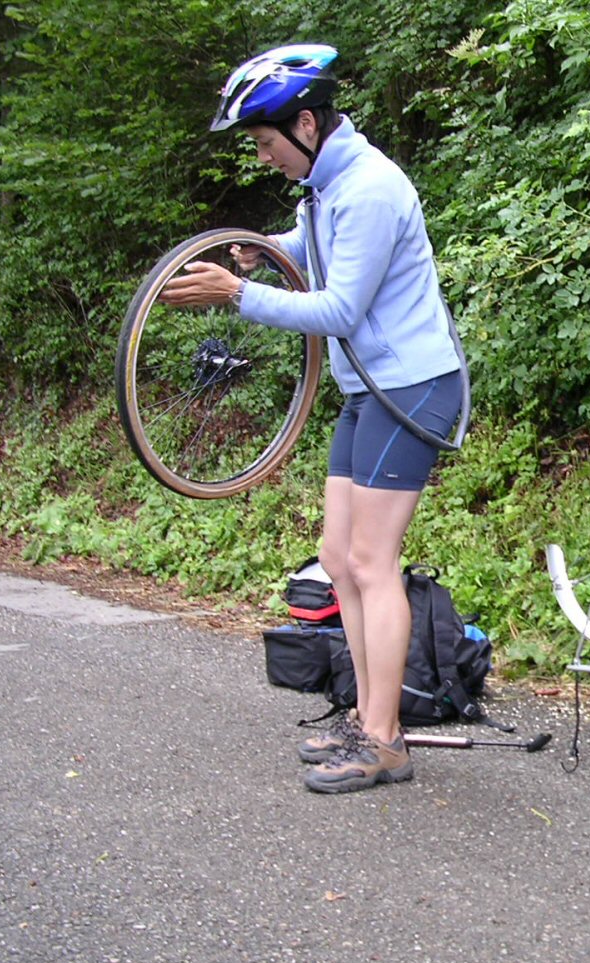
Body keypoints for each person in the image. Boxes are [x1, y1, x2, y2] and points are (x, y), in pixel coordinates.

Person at [159, 43, 463, 794]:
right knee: (336, 557)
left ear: (304, 124)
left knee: (371, 563)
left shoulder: (368, 187)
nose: (265, 158)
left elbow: (337, 307)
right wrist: (266, 255)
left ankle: (385, 740)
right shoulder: (326, 189)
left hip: (413, 386)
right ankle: (367, 716)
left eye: (266, 144)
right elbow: (317, 254)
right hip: (369, 389)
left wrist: (237, 294)